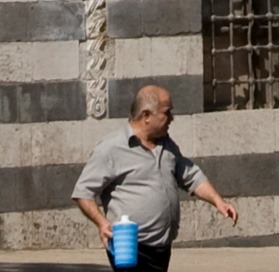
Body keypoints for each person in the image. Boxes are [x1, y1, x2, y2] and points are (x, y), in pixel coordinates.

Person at [72, 86, 238, 270]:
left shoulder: (166, 144)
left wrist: (218, 202)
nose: (172, 118)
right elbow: (83, 193)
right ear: (146, 116)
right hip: (130, 248)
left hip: (161, 249)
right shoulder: (112, 148)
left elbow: (191, 175)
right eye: (167, 113)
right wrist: (102, 223)